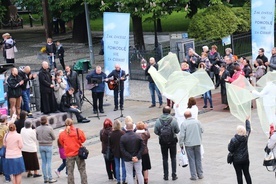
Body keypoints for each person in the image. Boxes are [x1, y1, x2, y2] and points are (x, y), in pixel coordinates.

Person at [154, 106, 180, 181]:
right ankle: (174, 175)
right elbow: (177, 131)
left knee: (165, 158)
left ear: (162, 112)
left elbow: (155, 131)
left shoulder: (158, 121)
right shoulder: (173, 120)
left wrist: (160, 134)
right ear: (169, 112)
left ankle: (165, 175)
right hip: (172, 141)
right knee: (173, 158)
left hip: (163, 142)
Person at [59, 118, 88, 184]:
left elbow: (61, 143)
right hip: (78, 153)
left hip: (69, 154)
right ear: (72, 123)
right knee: (82, 170)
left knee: (70, 171)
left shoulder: (62, 134)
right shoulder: (78, 131)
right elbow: (83, 139)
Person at [179, 110, 204, 181]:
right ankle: (200, 174)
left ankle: (193, 175)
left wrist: (181, 144)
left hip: (189, 144)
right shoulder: (197, 122)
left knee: (191, 159)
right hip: (197, 142)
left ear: (185, 117)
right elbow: (202, 130)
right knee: (198, 159)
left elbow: (182, 136)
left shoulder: (184, 124)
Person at [228, 118, 252, 184]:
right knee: (247, 173)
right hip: (245, 159)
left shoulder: (233, 140)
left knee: (239, 175)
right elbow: (248, 130)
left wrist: (229, 144)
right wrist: (247, 121)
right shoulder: (245, 137)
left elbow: (230, 149)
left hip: (236, 160)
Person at [36, 116, 57, 183]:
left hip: (41, 145)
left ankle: (45, 178)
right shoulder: (49, 128)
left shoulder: (37, 128)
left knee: (44, 162)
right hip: (48, 145)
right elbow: (54, 137)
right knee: (49, 162)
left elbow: (37, 137)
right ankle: (50, 177)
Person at [110, 119, 126, 184]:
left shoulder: (111, 134)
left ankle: (118, 180)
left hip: (115, 151)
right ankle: (124, 179)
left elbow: (110, 144)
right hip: (122, 151)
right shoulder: (122, 133)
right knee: (123, 165)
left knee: (117, 166)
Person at [0, 115, 11, 182]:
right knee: (5, 162)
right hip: (3, 146)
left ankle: (1, 171)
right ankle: (7, 177)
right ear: (5, 120)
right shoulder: (6, 128)